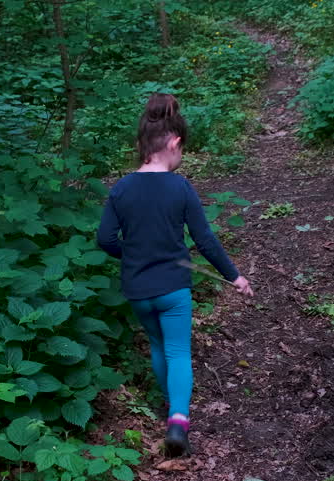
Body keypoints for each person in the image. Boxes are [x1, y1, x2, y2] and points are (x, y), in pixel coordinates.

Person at [96, 93, 254, 457]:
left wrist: (131, 255)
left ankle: (169, 406)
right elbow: (205, 240)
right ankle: (178, 421)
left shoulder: (120, 188)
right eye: (182, 151)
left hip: (138, 289)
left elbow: (105, 238)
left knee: (157, 346)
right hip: (173, 288)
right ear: (174, 142)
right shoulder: (180, 187)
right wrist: (235, 277)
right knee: (179, 350)